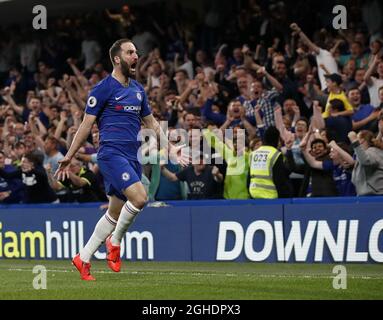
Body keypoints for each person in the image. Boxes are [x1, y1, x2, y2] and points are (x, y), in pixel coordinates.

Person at [55, 39, 188, 281]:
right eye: (130, 52)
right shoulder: (103, 88)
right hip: (111, 153)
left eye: (136, 52)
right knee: (139, 198)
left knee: (114, 213)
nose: (135, 55)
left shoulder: (138, 90)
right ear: (117, 59)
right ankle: (114, 243)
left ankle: (82, 258)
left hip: (132, 156)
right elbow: (86, 125)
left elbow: (151, 123)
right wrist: (70, 155)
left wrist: (170, 148)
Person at [249, 126, 293, 199]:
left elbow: (249, 177)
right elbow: (280, 179)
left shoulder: (253, 154)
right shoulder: (275, 154)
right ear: (276, 140)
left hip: (254, 194)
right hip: (271, 196)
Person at [348, 130, 383, 196]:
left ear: (362, 141)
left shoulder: (373, 151)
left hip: (377, 196)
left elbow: (366, 161)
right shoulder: (363, 155)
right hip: (367, 196)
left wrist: (355, 141)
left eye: (357, 139)